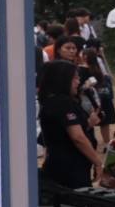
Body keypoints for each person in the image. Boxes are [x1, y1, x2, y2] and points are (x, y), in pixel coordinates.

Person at [38, 60, 100, 190]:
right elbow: (77, 138)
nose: (78, 82)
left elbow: (63, 131)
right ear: (62, 80)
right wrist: (98, 162)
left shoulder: (52, 101)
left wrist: (88, 123)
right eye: (75, 78)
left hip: (60, 165)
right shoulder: (62, 103)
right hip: (70, 168)